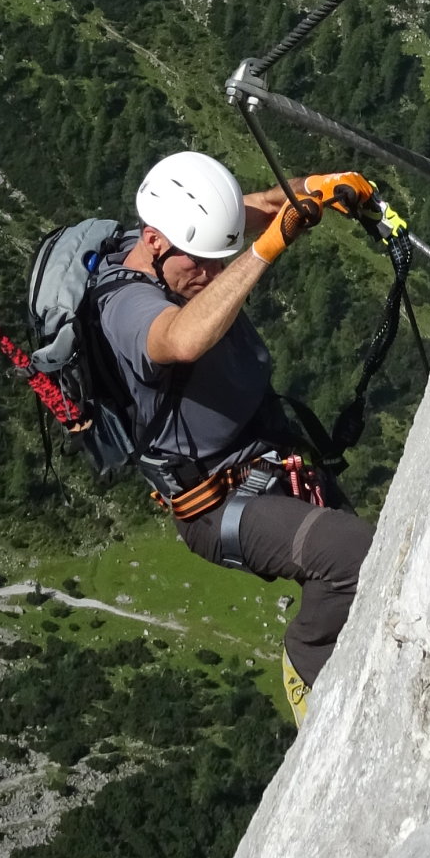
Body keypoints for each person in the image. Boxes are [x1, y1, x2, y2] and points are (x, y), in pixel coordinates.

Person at [91, 149, 374, 724]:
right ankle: (309, 661)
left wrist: (320, 187)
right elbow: (181, 340)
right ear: (154, 242)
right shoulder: (123, 306)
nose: (212, 276)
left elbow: (265, 204)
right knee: (353, 555)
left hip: (266, 452)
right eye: (201, 264)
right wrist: (267, 248)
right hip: (215, 501)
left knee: (360, 552)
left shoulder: (179, 235)